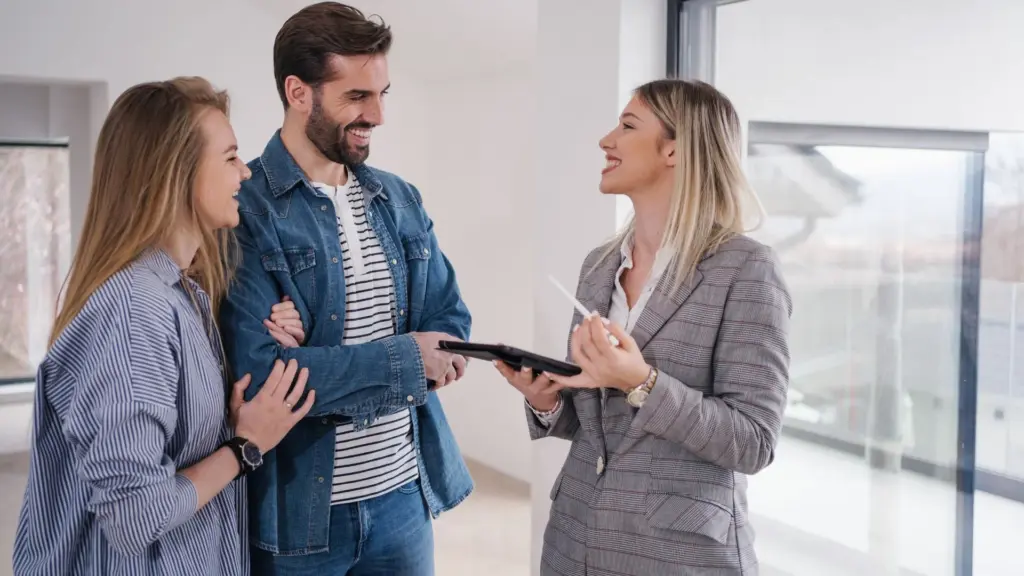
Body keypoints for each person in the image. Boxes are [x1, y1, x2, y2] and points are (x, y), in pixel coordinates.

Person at [12, 77, 314, 576]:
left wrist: (240, 400)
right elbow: (135, 515)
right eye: (231, 157)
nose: (245, 173)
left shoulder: (182, 293)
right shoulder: (133, 312)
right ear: (178, 173)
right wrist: (244, 448)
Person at [495, 79, 792, 575]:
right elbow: (600, 426)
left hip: (678, 556)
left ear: (675, 148)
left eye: (627, 126)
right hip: (575, 542)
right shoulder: (599, 265)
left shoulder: (747, 269)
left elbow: (753, 442)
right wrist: (547, 401)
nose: (606, 140)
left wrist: (641, 381)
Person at [218, 3, 473, 574]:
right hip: (300, 516)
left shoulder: (399, 198)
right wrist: (409, 358)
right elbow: (261, 378)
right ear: (298, 91)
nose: (377, 114)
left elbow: (451, 321)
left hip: (404, 497)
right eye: (357, 96)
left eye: (383, 93)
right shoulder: (246, 207)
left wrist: (315, 361)